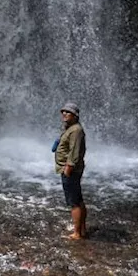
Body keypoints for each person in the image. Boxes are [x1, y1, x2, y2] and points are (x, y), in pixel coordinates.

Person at [55, 102, 87, 240]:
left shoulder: (76, 130)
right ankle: (82, 229)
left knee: (74, 202)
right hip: (71, 169)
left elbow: (75, 151)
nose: (64, 114)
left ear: (75, 116)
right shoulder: (71, 128)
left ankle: (77, 233)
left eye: (68, 112)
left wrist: (68, 167)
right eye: (63, 111)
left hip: (70, 169)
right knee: (78, 200)